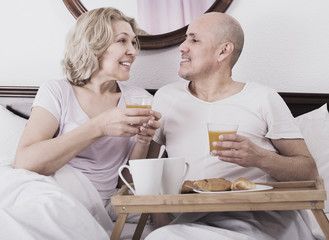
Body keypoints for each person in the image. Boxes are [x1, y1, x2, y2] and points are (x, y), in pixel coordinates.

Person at [146, 12, 318, 239]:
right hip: (189, 221)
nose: (182, 47)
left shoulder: (262, 98)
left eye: (194, 40)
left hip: (258, 219)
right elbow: (146, 170)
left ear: (223, 51)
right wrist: (159, 218)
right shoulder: (166, 98)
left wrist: (260, 158)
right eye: (185, 38)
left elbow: (310, 173)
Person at [14, 7, 161, 222]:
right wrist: (98, 127)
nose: (133, 51)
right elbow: (25, 161)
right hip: (58, 197)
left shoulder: (138, 99)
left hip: (105, 204)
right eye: (122, 41)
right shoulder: (58, 91)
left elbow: (127, 183)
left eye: (133, 42)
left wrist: (142, 142)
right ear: (95, 44)